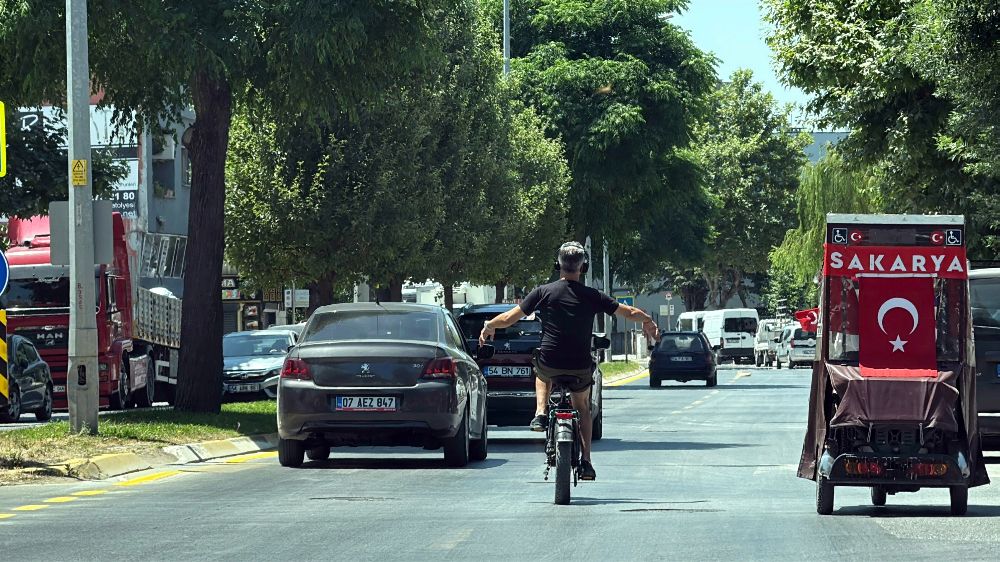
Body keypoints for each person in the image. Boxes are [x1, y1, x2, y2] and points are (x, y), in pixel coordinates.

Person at [478, 241, 659, 481]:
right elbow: (628, 312)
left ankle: (540, 413)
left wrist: (489, 326)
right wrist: (647, 320)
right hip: (580, 365)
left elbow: (510, 317)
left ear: (558, 265)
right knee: (583, 408)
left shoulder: (543, 292)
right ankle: (586, 462)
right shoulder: (594, 296)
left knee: (540, 371)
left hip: (550, 361)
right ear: (583, 267)